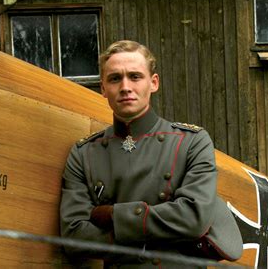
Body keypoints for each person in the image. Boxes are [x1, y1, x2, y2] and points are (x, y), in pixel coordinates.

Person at [60, 40, 242, 268]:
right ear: (103, 89)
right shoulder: (84, 153)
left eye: (135, 76)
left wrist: (113, 216)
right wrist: (153, 242)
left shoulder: (192, 142)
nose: (125, 87)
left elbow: (194, 219)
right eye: (115, 78)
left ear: (153, 83)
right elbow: (74, 237)